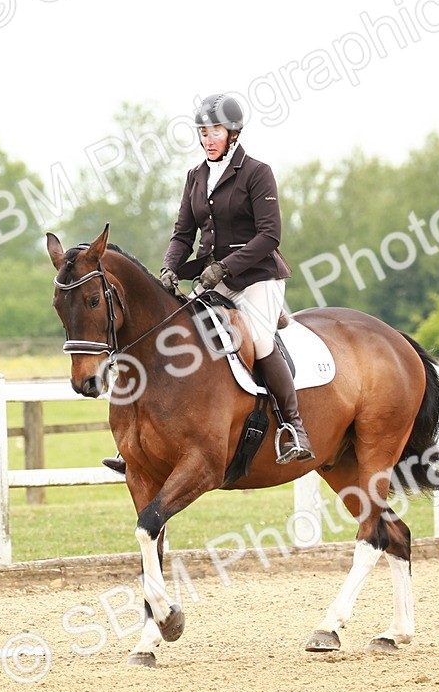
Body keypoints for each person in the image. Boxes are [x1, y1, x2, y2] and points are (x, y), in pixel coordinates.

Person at [102, 93, 314, 474]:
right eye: (202, 131)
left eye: (215, 130)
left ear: (233, 133)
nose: (207, 138)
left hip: (257, 277)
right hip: (213, 277)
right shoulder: (195, 176)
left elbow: (269, 235)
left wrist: (225, 267)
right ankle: (145, 439)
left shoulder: (256, 172)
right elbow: (183, 234)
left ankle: (292, 427)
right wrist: (168, 268)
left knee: (260, 339)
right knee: (177, 335)